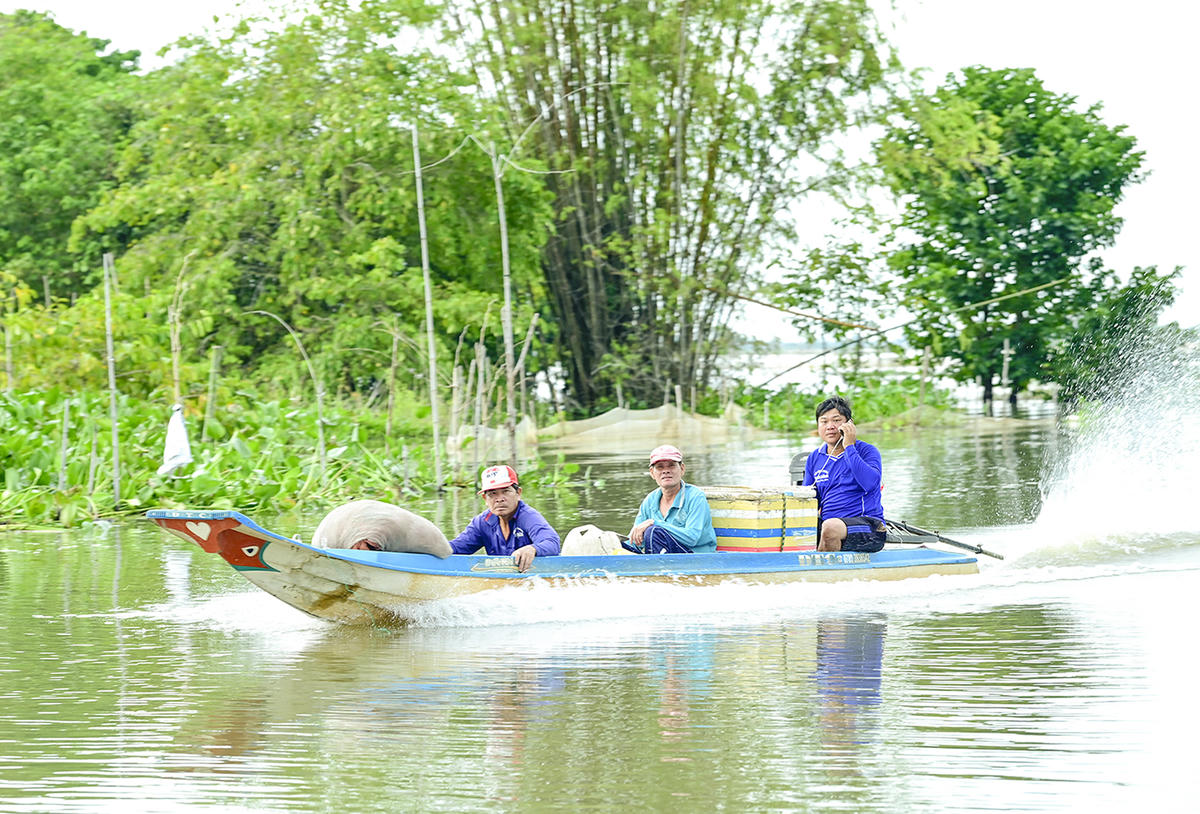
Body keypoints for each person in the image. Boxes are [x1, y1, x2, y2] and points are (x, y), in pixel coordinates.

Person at [801, 396, 886, 553]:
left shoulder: (867, 451)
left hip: (868, 527)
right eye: (824, 422)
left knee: (830, 527)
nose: (830, 426)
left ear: (849, 424)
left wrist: (849, 447)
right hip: (829, 526)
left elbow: (870, 483)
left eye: (836, 420)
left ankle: (822, 573)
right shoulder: (814, 457)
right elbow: (809, 500)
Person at [449, 465, 561, 571]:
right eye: (492, 494)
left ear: (518, 493)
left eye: (506, 491)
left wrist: (532, 549)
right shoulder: (482, 522)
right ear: (485, 499)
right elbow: (457, 548)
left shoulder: (528, 517)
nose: (499, 499)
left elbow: (552, 543)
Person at [627, 445, 717, 554]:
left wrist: (655, 524)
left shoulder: (695, 497)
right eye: (660, 467)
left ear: (682, 469)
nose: (666, 471)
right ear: (652, 473)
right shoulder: (650, 500)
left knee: (653, 531)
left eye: (671, 466)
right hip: (664, 556)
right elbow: (635, 539)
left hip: (696, 557)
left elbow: (692, 538)